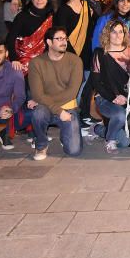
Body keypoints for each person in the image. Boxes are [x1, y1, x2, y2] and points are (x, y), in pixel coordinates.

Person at [26, 27, 84, 159]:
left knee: (74, 151)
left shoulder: (75, 61)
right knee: (38, 114)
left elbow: (71, 93)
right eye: (59, 39)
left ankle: (65, 137)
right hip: (46, 108)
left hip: (68, 107)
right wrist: (58, 111)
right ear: (49, 42)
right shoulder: (36, 63)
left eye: (65, 39)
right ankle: (41, 144)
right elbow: (37, 94)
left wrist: (40, 99)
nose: (63, 42)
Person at [88, 19, 130, 155]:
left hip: (126, 99)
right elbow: (96, 82)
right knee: (120, 116)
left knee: (127, 142)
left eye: (120, 32)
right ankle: (109, 140)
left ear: (125, 34)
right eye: (114, 32)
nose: (117, 35)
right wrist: (113, 97)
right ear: (107, 34)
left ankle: (98, 130)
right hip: (105, 98)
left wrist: (127, 98)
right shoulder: (99, 53)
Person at [53, 0, 95, 126]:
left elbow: (91, 30)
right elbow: (61, 34)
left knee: (87, 85)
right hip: (70, 53)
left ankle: (84, 113)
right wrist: (69, 54)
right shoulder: (63, 10)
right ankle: (73, 116)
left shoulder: (87, 8)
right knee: (75, 85)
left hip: (86, 52)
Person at [7, 0, 55, 77]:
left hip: (44, 62)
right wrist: (14, 59)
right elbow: (10, 38)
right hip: (21, 61)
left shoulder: (52, 17)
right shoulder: (22, 16)